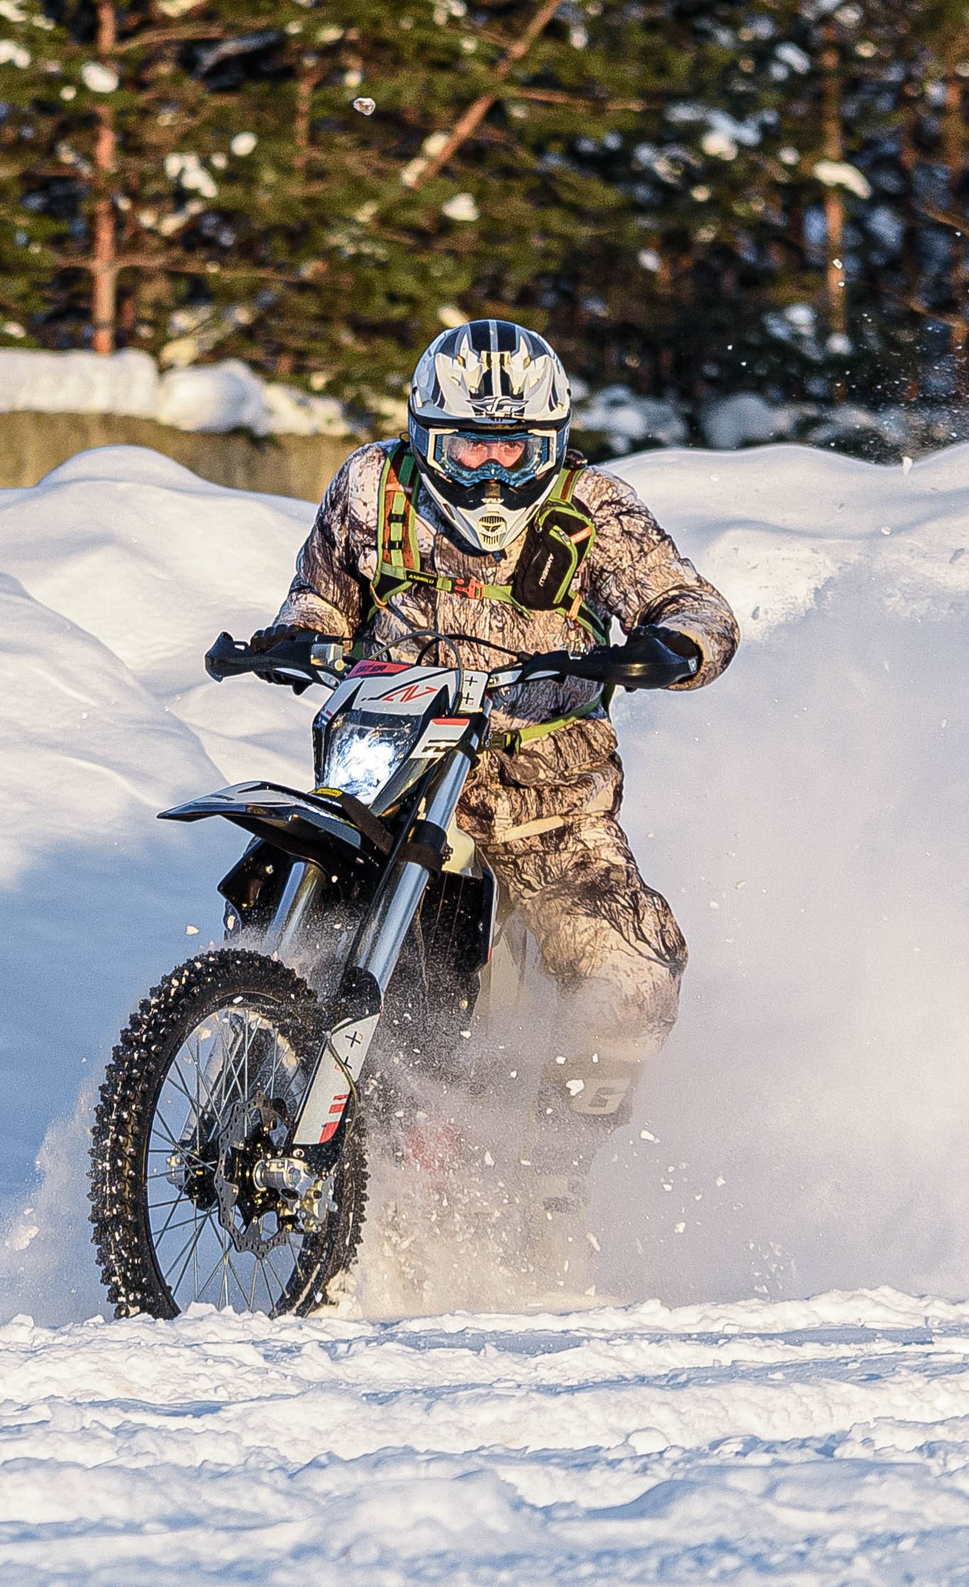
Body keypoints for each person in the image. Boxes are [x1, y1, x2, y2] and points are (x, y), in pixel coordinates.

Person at [253, 318, 739, 1285]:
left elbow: (691, 604)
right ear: (426, 434)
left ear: (548, 443)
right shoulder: (371, 487)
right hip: (385, 769)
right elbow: (320, 599)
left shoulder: (595, 509)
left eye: (509, 446)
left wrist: (672, 646)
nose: (485, 469)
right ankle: (247, 1051)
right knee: (269, 864)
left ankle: (554, 1169)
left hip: (546, 803)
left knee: (633, 979)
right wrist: (293, 639)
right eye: (466, 443)